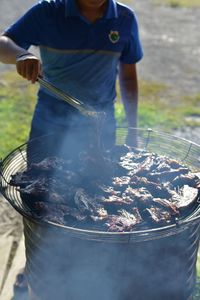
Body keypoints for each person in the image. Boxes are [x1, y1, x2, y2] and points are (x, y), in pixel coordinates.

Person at [0, 0, 143, 299]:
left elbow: (128, 76)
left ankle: (90, 266)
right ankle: (35, 266)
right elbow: (4, 43)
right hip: (50, 125)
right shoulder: (48, 11)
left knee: (97, 197)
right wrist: (22, 55)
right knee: (41, 201)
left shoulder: (125, 18)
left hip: (99, 126)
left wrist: (132, 129)